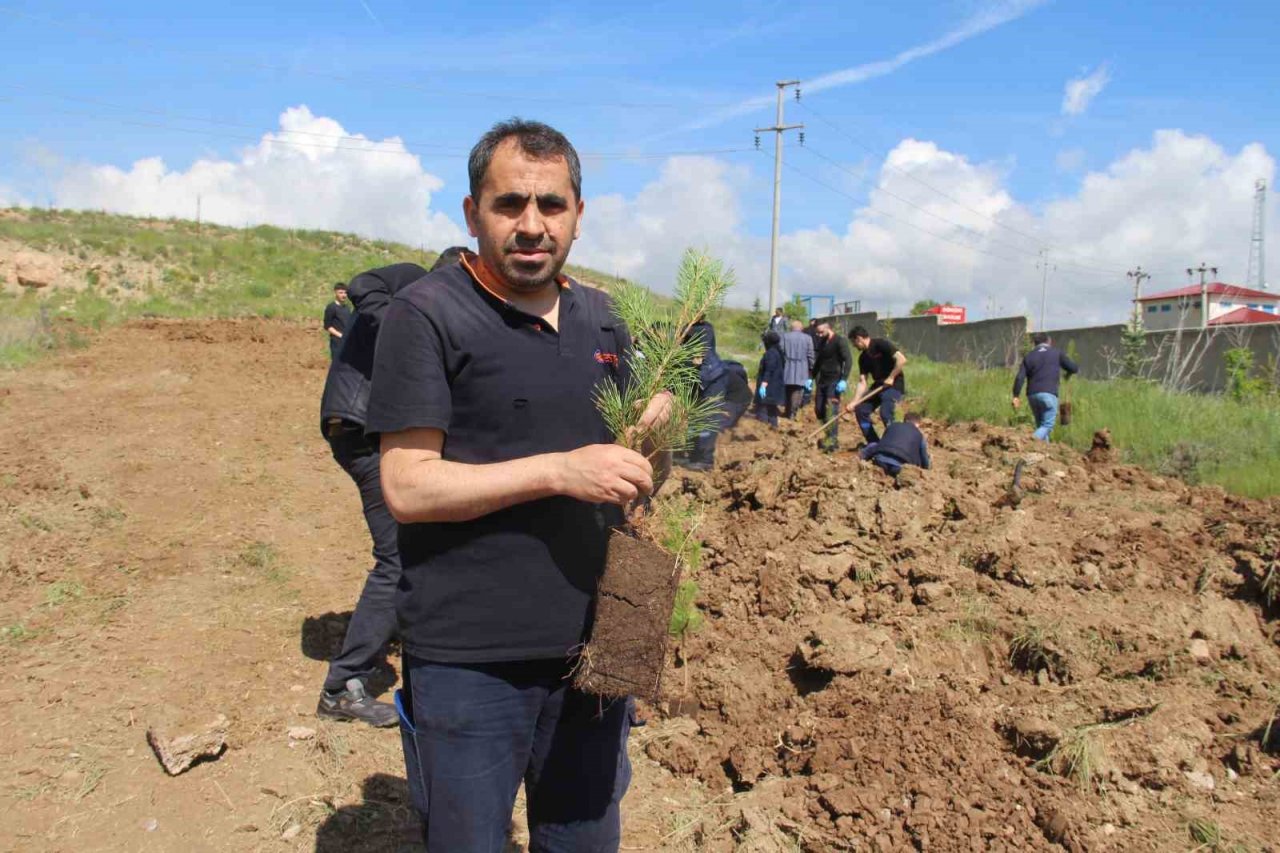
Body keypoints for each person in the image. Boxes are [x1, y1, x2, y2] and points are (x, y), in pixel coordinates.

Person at [367, 119, 671, 852]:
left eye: (551, 205)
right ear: (473, 214)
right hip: (472, 658)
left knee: (584, 841)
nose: (531, 225)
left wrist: (655, 441)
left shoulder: (606, 318)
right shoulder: (428, 314)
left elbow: (636, 483)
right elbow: (407, 486)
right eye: (509, 205)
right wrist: (561, 470)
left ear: (578, 214)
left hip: (596, 654)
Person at [315, 261, 432, 727]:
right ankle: (341, 687)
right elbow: (362, 283)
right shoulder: (414, 282)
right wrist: (409, 325)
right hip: (362, 431)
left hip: (366, 428)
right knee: (398, 556)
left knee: (420, 542)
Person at [1012, 332, 1079, 441]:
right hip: (1049, 394)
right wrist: (1067, 374)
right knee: (1047, 425)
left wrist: (1016, 396)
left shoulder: (1029, 356)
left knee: (1041, 427)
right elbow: (1074, 368)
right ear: (1049, 342)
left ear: (1034, 343)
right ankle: (1029, 442)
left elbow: (1020, 377)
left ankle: (1044, 454)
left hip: (1032, 396)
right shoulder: (1056, 353)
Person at [681, 316, 727, 472]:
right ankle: (694, 455)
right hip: (696, 380)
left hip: (711, 380)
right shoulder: (686, 328)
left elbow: (698, 357)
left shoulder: (704, 329)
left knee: (708, 419)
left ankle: (705, 460)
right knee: (693, 419)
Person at [847, 325, 907, 444]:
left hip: (893, 385)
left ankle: (896, 443)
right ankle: (874, 443)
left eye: (854, 343)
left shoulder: (880, 344)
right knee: (861, 410)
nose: (854, 346)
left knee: (886, 413)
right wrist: (854, 401)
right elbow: (862, 382)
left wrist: (891, 377)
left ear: (859, 338)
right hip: (879, 386)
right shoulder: (863, 358)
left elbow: (902, 360)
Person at [811, 323, 853, 452]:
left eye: (821, 332)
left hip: (834, 381)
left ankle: (833, 441)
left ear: (828, 328)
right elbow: (818, 361)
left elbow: (848, 360)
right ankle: (828, 433)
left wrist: (844, 380)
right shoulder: (822, 342)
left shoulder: (839, 341)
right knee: (819, 409)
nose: (818, 335)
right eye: (817, 332)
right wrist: (810, 377)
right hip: (822, 380)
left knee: (831, 410)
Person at [860, 412, 931, 477]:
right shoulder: (920, 436)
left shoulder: (892, 426)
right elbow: (924, 457)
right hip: (901, 467)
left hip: (880, 461)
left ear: (904, 420)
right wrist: (926, 468)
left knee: (874, 445)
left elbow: (882, 443)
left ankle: (861, 457)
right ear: (918, 424)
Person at [780, 319, 815, 419]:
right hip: (802, 366)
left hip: (788, 365)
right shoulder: (808, 338)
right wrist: (812, 368)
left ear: (791, 328)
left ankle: (787, 411)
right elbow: (810, 354)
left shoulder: (785, 336)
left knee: (788, 389)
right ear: (801, 328)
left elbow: (781, 350)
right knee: (798, 390)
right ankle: (792, 412)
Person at [753, 330, 785, 427]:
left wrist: (764, 383)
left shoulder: (770, 353)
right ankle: (773, 429)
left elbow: (769, 369)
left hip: (769, 386)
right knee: (772, 411)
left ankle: (762, 432)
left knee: (763, 409)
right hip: (775, 386)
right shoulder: (778, 352)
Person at [323, 282, 351, 358]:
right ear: (335, 293)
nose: (343, 295)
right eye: (341, 293)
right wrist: (341, 336)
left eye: (345, 293)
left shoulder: (347, 307)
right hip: (337, 341)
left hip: (347, 340)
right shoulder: (331, 307)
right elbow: (327, 326)